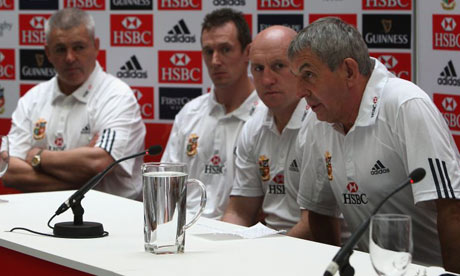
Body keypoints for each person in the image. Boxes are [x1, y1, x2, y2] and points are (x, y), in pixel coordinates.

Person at [288, 17, 460, 272]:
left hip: (428, 270)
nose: (300, 91)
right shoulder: (318, 120)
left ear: (348, 70)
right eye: (296, 78)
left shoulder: (405, 105)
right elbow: (319, 212)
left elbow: (452, 209)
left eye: (309, 75)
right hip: (368, 269)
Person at [3, 8, 146, 200]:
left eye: (79, 47)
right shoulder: (33, 98)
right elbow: (9, 170)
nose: (70, 58)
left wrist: (37, 156)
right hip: (41, 218)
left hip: (110, 220)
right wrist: (82, 183)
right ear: (48, 53)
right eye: (60, 49)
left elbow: (99, 163)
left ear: (96, 47)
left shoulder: (117, 96)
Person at [161, 8, 262, 219]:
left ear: (247, 52)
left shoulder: (266, 115)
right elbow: (165, 187)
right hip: (185, 232)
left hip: (240, 235)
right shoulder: (190, 113)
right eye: (208, 51)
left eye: (225, 49)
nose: (215, 61)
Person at [221, 26, 311, 237]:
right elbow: (240, 211)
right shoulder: (254, 126)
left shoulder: (319, 123)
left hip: (315, 251)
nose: (267, 80)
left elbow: (316, 225)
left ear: (301, 67)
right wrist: (220, 248)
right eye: (258, 69)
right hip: (269, 247)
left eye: (278, 66)